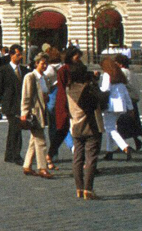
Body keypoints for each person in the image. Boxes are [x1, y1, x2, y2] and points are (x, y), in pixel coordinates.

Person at [66, 58, 102, 199]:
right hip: (90, 126)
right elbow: (99, 101)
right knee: (91, 158)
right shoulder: (86, 89)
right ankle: (88, 189)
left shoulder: (69, 89)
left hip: (75, 126)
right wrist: (94, 83)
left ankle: (79, 188)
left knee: (77, 158)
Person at [21, 53, 54, 178]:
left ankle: (27, 165)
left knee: (33, 140)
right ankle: (42, 167)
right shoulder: (30, 77)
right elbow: (26, 96)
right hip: (34, 112)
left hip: (42, 111)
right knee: (41, 141)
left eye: (46, 64)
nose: (45, 66)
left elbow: (45, 92)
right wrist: (24, 112)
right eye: (42, 63)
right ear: (36, 63)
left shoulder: (44, 77)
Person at [0, 45, 26, 166]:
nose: (20, 57)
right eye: (18, 54)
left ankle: (9, 154)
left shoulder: (24, 70)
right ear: (11, 55)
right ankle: (16, 155)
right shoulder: (3, 70)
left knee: (13, 129)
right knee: (16, 128)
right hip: (9, 104)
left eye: (21, 54)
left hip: (21, 104)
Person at [48, 46, 79, 165]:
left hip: (56, 97)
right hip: (65, 98)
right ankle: (71, 148)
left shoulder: (49, 69)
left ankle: (53, 153)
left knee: (55, 127)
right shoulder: (63, 68)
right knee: (63, 127)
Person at [98, 57, 133, 161]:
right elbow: (126, 94)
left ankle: (124, 146)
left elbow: (105, 89)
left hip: (110, 105)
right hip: (121, 105)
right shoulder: (119, 76)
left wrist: (97, 88)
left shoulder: (107, 75)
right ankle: (109, 151)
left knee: (110, 128)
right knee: (111, 127)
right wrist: (130, 108)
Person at [116, 54, 142, 150]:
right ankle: (139, 135)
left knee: (123, 122)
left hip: (127, 99)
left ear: (120, 64)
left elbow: (118, 84)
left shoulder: (122, 72)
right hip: (133, 98)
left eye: (116, 63)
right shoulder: (129, 72)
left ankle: (124, 145)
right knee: (132, 122)